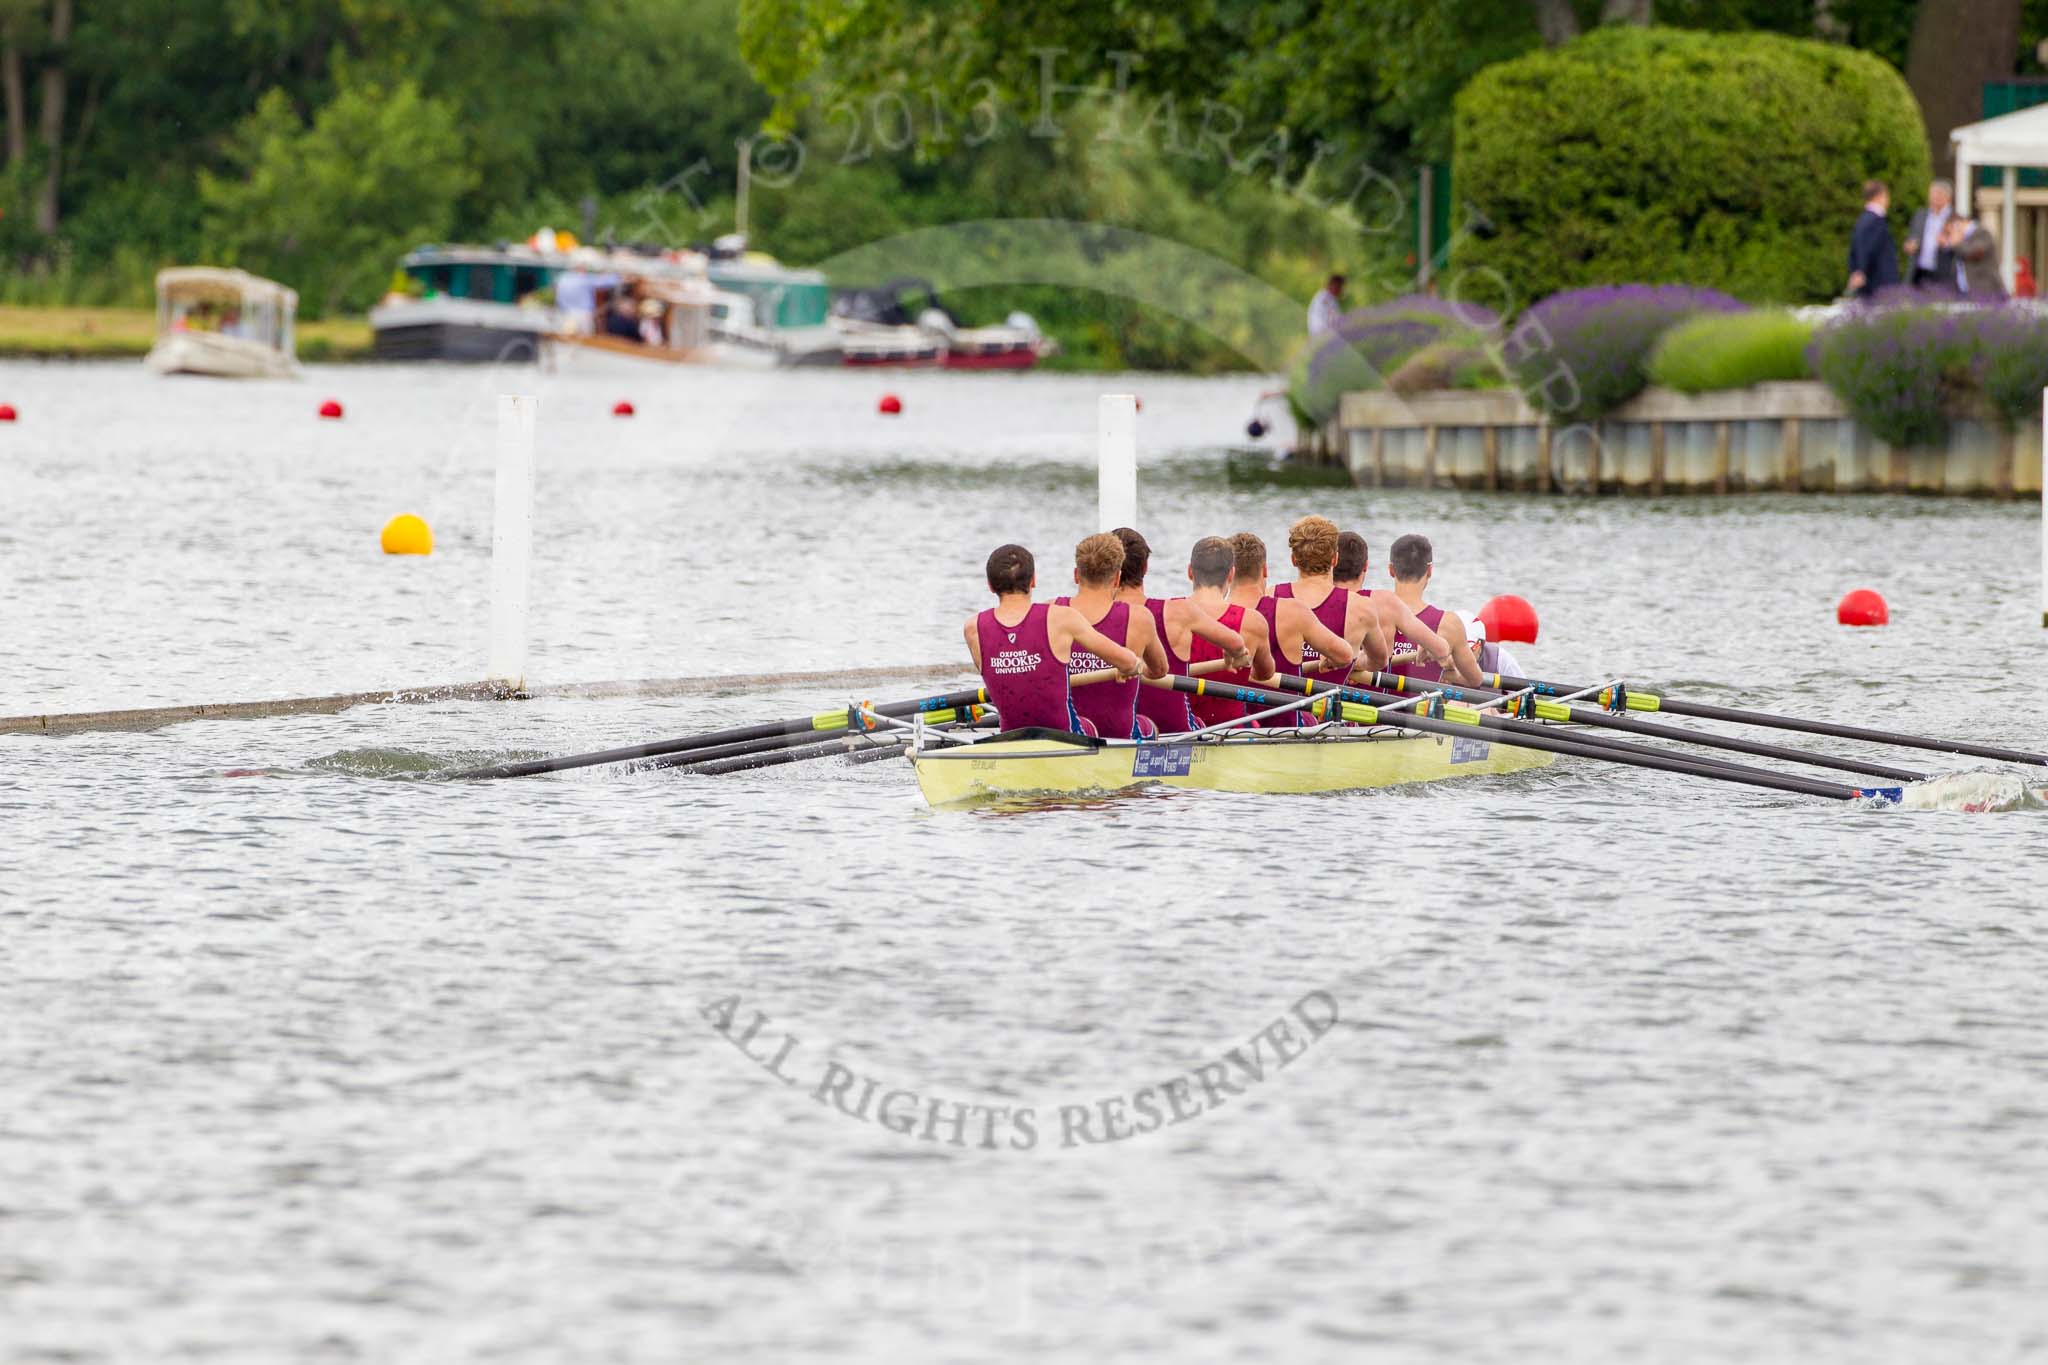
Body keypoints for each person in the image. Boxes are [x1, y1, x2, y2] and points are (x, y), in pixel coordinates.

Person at [965, 544, 1141, 735]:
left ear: (990, 586)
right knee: (1097, 726)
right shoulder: (1061, 617)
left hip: (1011, 737)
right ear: (1033, 580)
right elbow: (1129, 662)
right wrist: (1131, 668)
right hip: (1066, 737)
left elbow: (1012, 681)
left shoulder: (973, 627)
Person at [1110, 527, 1252, 736]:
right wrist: (1237, 654)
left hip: (1108, 729)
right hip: (1175, 730)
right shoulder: (1177, 611)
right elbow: (1237, 643)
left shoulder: (1081, 617)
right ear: (1146, 567)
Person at [1053, 532, 1169, 739]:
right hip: (1118, 734)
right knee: (1148, 726)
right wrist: (1133, 669)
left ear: (1076, 575)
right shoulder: (1139, 618)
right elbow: (1160, 671)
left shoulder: (1050, 611)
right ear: (1117, 578)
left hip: (1064, 732)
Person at [1309, 524, 1455, 680]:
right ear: (1365, 566)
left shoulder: (1298, 600)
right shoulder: (1383, 602)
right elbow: (1442, 650)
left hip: (1298, 697)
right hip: (1369, 700)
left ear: (1332, 563)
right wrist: (1426, 648)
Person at [1383, 534, 1483, 687]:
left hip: (1364, 709)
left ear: (1391, 570)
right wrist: (1452, 673)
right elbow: (1475, 680)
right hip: (1418, 710)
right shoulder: (1449, 624)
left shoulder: (1367, 610)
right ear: (1429, 570)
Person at [1847, 180, 1899, 299]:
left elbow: (1855, 247)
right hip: (1878, 279)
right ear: (1879, 196)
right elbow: (1867, 249)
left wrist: (1855, 269)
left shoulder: (1864, 218)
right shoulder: (1875, 220)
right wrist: (1860, 270)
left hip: (1872, 278)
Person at [1903, 178, 1955, 289]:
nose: (1934, 197)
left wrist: (1947, 243)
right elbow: (1910, 237)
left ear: (1947, 197)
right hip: (1919, 273)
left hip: (1942, 273)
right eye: (1932, 194)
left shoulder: (1954, 218)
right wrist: (1908, 246)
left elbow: (1960, 247)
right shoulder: (1920, 215)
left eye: (1938, 193)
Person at [1946, 213, 2007, 299]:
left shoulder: (1982, 233)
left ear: (1957, 225)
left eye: (1951, 232)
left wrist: (1957, 243)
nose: (1951, 236)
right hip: (1965, 292)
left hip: (1986, 290)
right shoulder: (1963, 239)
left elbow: (1975, 252)